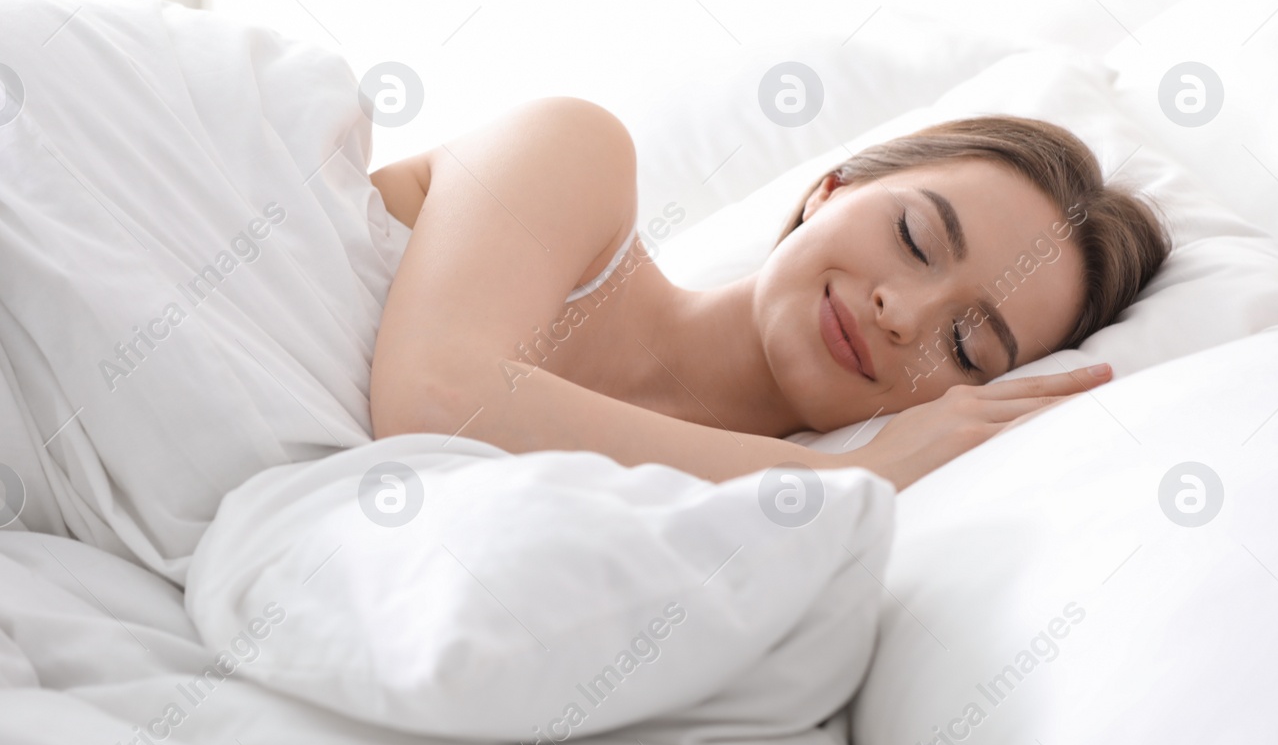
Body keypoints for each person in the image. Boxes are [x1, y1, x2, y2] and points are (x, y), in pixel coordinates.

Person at [368, 98, 1168, 491]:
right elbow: (438, 396)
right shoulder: (578, 154)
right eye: (916, 239)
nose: (906, 315)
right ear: (830, 188)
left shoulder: (728, 520)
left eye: (965, 346)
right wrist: (856, 474)